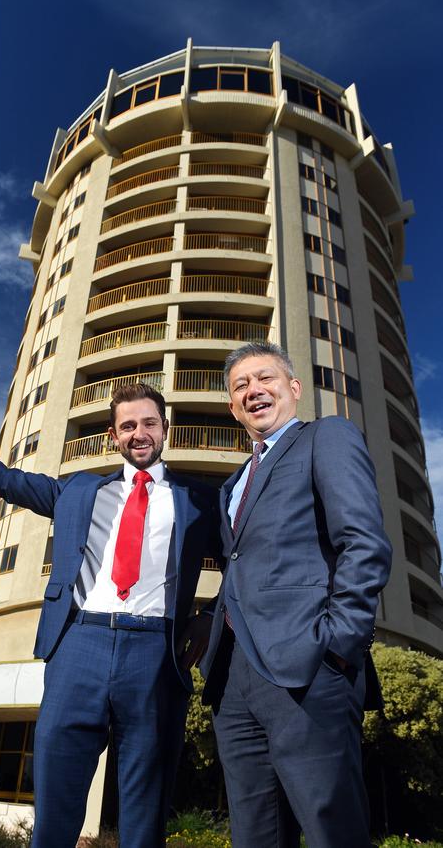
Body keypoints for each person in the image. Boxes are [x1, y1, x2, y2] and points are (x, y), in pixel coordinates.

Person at [0, 383, 219, 848]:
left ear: (165, 429)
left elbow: (246, 555)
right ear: (114, 435)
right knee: (56, 800)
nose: (139, 433)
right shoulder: (78, 491)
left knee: (144, 810)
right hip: (79, 646)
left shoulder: (199, 499)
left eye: (149, 423)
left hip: (156, 652)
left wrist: (210, 614)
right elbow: (6, 480)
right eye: (128, 425)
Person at [201, 342, 392, 848]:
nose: (253, 391)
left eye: (264, 378)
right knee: (255, 835)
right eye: (240, 386)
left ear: (293, 388)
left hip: (310, 667)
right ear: (232, 407)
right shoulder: (233, 485)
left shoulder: (325, 437)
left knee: (334, 829)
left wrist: (336, 645)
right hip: (233, 679)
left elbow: (364, 543)